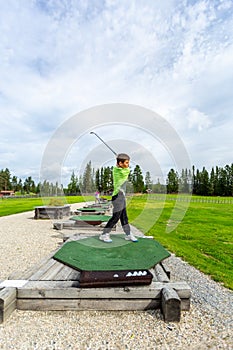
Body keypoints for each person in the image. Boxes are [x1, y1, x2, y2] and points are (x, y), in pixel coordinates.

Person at [99, 153, 138, 243]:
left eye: (128, 163)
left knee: (124, 217)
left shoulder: (119, 168)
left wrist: (120, 159)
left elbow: (123, 167)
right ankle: (104, 234)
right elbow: (127, 169)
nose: (128, 165)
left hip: (122, 196)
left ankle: (128, 234)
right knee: (116, 217)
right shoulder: (119, 171)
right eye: (126, 162)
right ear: (120, 164)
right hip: (117, 196)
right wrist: (119, 160)